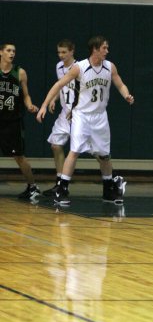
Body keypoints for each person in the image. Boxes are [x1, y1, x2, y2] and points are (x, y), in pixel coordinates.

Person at [36, 35, 134, 206]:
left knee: (104, 155)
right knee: (74, 151)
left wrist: (126, 95)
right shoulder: (79, 67)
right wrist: (45, 104)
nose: (107, 51)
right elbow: (59, 85)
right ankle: (62, 188)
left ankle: (108, 189)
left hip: (100, 116)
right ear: (95, 49)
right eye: (104, 48)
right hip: (81, 115)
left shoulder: (110, 67)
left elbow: (120, 84)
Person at [0, 42, 40, 201]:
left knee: (19, 156)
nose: (12, 53)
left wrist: (29, 105)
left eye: (14, 51)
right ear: (1, 52)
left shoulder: (20, 73)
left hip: (12, 121)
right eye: (8, 50)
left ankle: (32, 187)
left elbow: (26, 95)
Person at [42, 39, 78, 197]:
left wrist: (76, 107)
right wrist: (53, 99)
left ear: (72, 51)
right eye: (59, 52)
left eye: (64, 52)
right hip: (65, 113)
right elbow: (61, 85)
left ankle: (111, 181)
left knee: (97, 152)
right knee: (56, 145)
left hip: (80, 114)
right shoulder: (59, 67)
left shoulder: (79, 68)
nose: (61, 55)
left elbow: (85, 92)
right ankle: (60, 183)